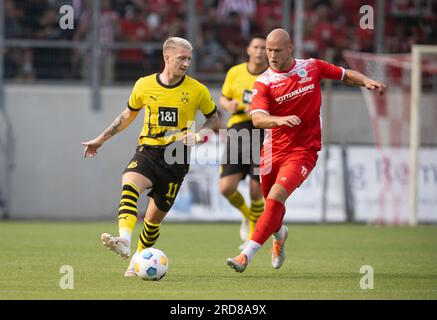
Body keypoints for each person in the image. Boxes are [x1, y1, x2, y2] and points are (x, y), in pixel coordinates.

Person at [226, 29, 386, 272]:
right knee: (272, 205)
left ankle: (245, 255)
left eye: (277, 50)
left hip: (303, 150)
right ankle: (279, 236)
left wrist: (365, 80)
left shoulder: (311, 67)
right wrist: (278, 120)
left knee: (276, 197)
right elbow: (257, 119)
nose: (271, 55)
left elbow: (343, 75)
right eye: (269, 50)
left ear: (290, 49)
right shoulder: (264, 81)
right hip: (271, 152)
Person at [82, 37, 218, 276]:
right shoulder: (144, 85)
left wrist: (200, 135)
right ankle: (123, 239)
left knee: (153, 220)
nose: (186, 63)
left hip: (177, 158)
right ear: (167, 58)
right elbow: (127, 116)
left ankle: (136, 262)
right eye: (181, 58)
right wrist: (100, 139)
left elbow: (215, 118)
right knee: (130, 183)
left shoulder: (198, 90)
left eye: (188, 59)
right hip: (147, 151)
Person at [219, 34, 268, 249]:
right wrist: (231, 106)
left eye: (263, 48)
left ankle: (253, 236)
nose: (259, 51)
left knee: (256, 190)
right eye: (256, 47)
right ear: (248, 49)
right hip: (238, 129)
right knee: (226, 187)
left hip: (263, 131)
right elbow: (223, 98)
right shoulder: (235, 72)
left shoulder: (271, 76)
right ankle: (247, 216)